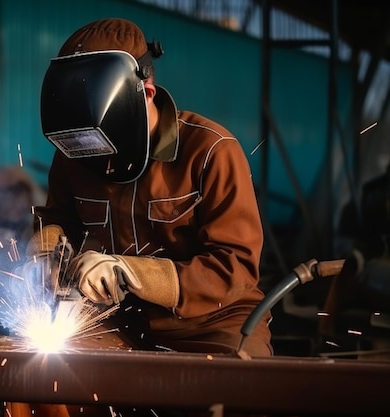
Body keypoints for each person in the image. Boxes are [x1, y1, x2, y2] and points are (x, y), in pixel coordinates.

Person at [27, 17, 273, 358]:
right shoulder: (76, 152)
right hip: (126, 320)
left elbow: (235, 267)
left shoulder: (210, 151)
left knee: (236, 389)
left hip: (216, 324)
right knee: (40, 373)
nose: (99, 161)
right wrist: (44, 257)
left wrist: (129, 271)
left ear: (145, 95)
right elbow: (57, 217)